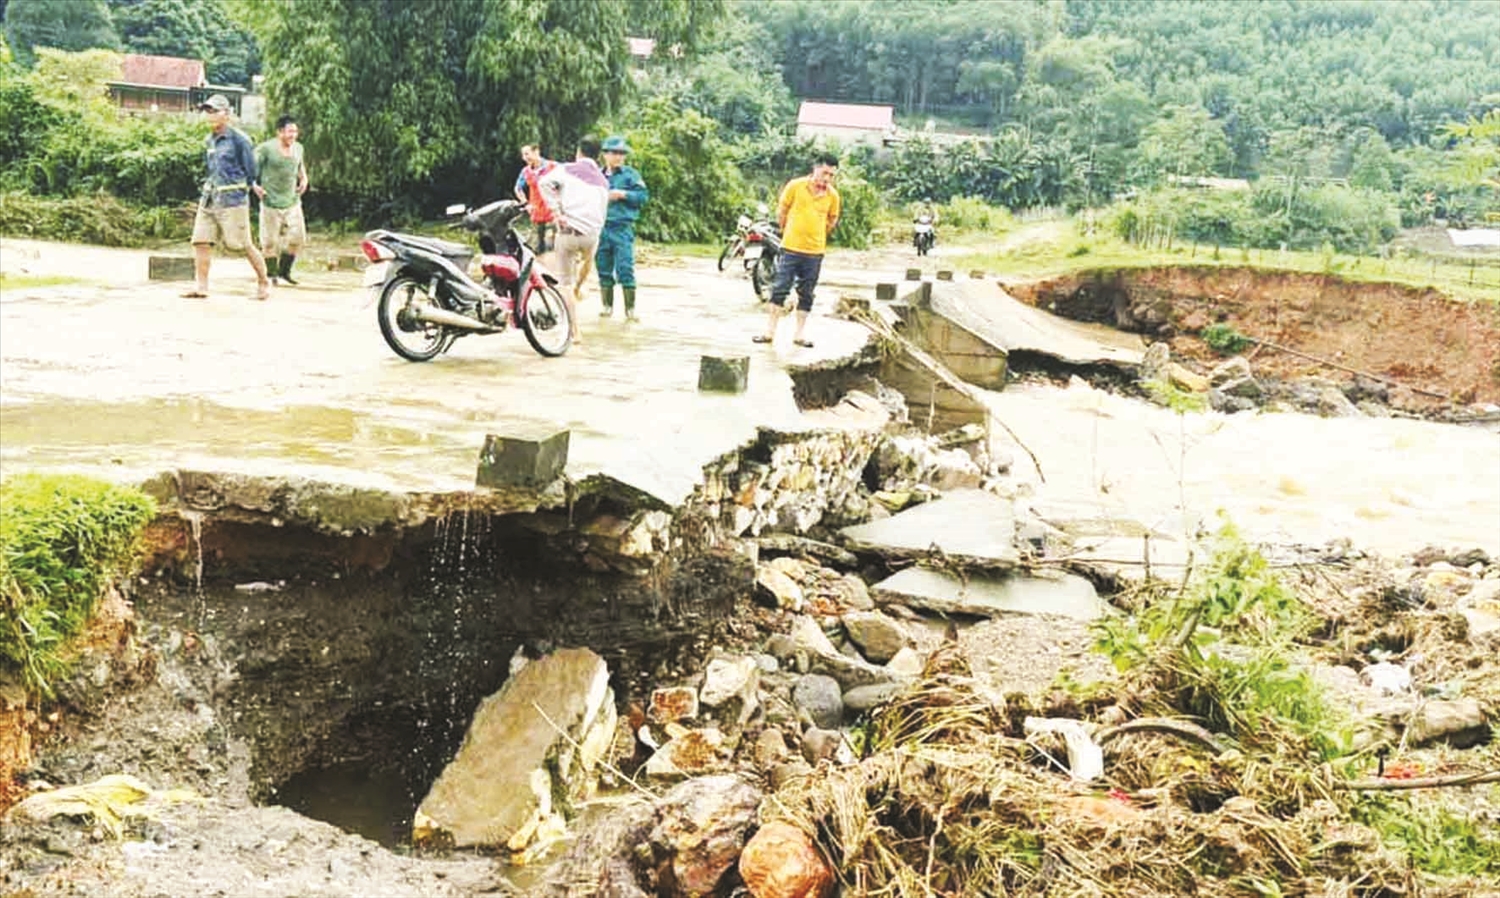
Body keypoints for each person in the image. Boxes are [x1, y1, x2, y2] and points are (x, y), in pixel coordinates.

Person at [184, 94, 270, 300]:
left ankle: (263, 281)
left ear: (227, 114)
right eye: (208, 111)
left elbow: (251, 170)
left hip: (232, 200)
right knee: (201, 241)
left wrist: (248, 187)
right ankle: (201, 286)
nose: (210, 115)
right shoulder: (209, 140)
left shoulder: (240, 140)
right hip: (210, 198)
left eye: (214, 111)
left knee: (241, 244)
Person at [754, 153, 841, 348]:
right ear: (815, 168)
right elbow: (782, 212)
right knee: (780, 288)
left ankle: (799, 335)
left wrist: (817, 235)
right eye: (825, 173)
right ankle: (769, 332)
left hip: (815, 252)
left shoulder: (833, 196)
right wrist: (789, 232)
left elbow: (831, 220)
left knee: (807, 293)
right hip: (791, 248)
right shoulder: (795, 186)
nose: (827, 179)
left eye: (831, 175)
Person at [538, 136, 608, 345]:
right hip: (592, 235)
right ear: (598, 155)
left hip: (568, 233)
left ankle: (575, 331)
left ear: (579, 151)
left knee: (563, 283)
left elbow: (544, 183)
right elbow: (602, 211)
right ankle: (580, 287)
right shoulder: (603, 180)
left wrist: (556, 210)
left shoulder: (566, 169)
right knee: (588, 260)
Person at [596, 136, 649, 321]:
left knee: (625, 267)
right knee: (603, 267)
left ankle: (630, 310)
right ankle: (607, 307)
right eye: (615, 153)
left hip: (622, 228)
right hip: (600, 228)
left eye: (622, 153)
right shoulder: (597, 175)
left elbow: (643, 197)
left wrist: (623, 194)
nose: (619, 157)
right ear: (605, 155)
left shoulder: (630, 175)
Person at [253, 114, 309, 285]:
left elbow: (300, 166)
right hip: (270, 201)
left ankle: (285, 272)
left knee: (297, 238)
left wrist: (304, 179)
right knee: (269, 242)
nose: (292, 135)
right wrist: (255, 186)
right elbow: (251, 169)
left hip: (292, 200)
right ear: (279, 132)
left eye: (295, 131)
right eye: (289, 131)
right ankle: (271, 275)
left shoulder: (298, 148)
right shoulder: (265, 149)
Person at [512, 144, 557, 253]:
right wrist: (526, 204)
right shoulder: (526, 171)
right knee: (537, 247)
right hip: (536, 213)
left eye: (527, 154)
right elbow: (518, 188)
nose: (525, 158)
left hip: (553, 213)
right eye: (523, 155)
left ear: (536, 152)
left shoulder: (552, 167)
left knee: (551, 246)